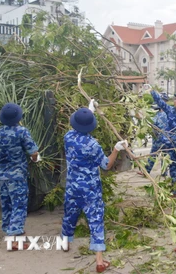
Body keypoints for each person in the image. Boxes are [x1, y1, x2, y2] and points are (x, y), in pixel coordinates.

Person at [61, 107, 127, 273]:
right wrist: (116, 149)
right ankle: (99, 261)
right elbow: (106, 165)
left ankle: (65, 243)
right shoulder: (93, 145)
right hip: (90, 190)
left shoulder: (67, 137)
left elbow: (75, 128)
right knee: (96, 221)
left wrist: (87, 111)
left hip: (72, 187)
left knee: (70, 215)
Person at [0, 103, 40, 250]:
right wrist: (35, 159)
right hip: (17, 175)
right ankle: (14, 242)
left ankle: (11, 235)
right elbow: (33, 152)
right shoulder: (22, 131)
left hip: (2, 176)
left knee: (7, 206)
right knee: (19, 206)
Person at [149, 89, 176, 193]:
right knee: (173, 169)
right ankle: (175, 190)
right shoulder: (170, 111)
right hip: (170, 146)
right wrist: (152, 91)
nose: (174, 100)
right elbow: (161, 103)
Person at [144, 104, 168, 175]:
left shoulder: (158, 115)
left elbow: (152, 125)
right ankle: (164, 172)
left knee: (153, 155)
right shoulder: (168, 114)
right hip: (167, 138)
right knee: (165, 155)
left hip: (158, 138)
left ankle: (146, 171)